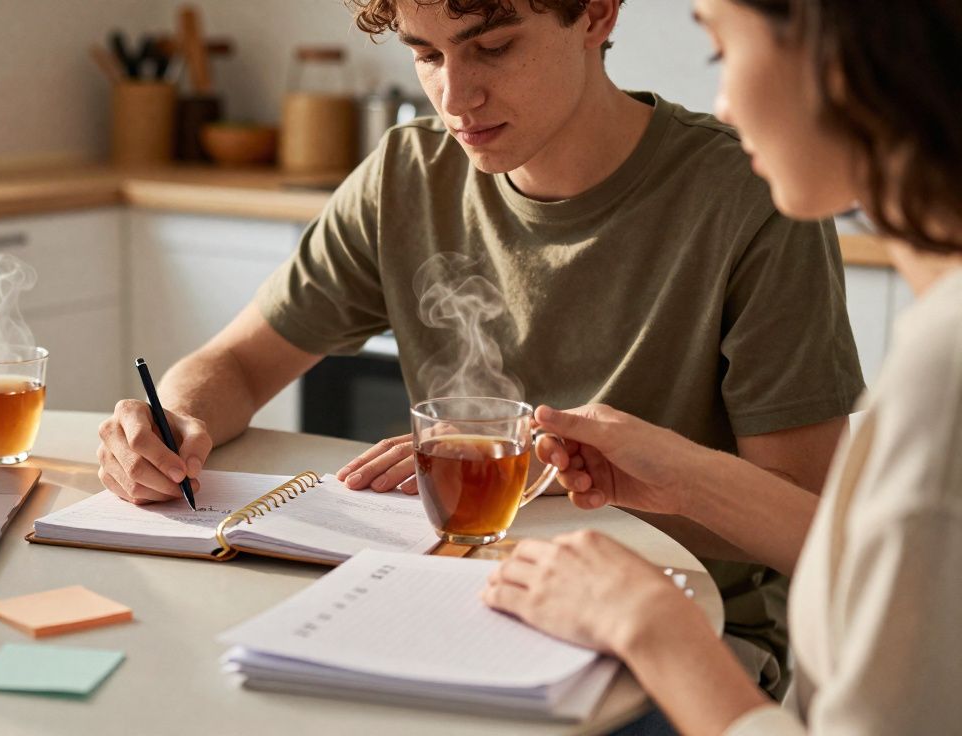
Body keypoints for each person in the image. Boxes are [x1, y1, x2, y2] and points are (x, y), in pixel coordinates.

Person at [95, 0, 866, 695]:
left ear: (597, 14)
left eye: (491, 47)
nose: (455, 96)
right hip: (448, 604)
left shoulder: (750, 195)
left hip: (683, 635)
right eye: (426, 55)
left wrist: (563, 473)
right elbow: (234, 364)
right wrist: (174, 420)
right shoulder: (408, 174)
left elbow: (809, 527)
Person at [481, 0, 962, 731]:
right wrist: (684, 477)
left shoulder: (945, 373)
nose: (725, 106)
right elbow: (893, 576)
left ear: (836, 47)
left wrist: (646, 620)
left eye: (720, 51)